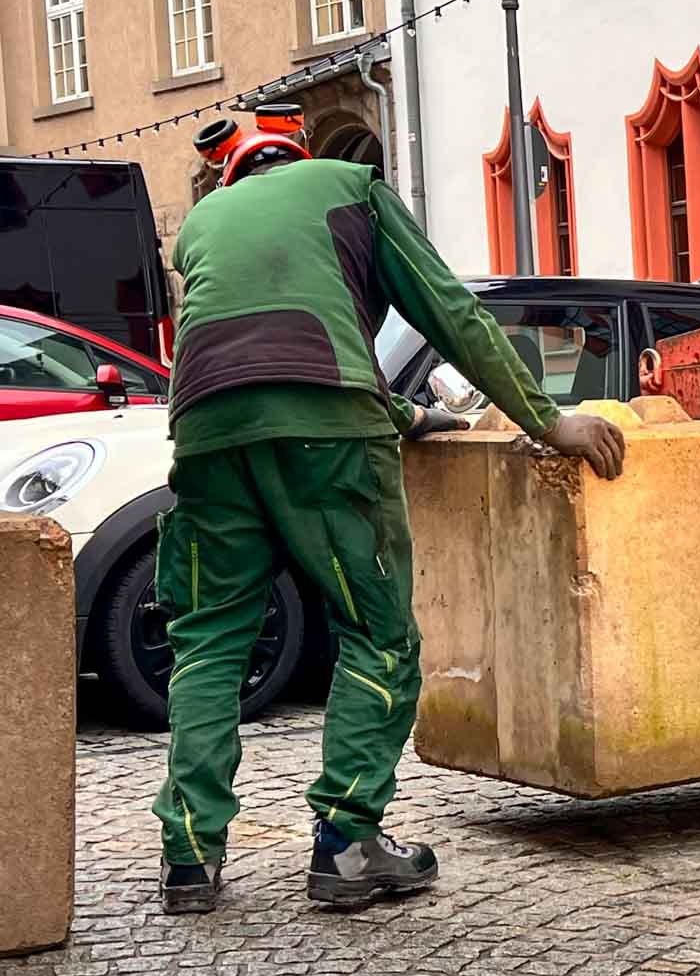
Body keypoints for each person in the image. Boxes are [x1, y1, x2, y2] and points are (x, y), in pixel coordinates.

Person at [153, 113, 627, 913]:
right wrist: (546, 418)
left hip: (204, 435)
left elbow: (265, 345)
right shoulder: (352, 188)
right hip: (329, 440)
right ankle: (346, 845)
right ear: (301, 158)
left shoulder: (200, 223)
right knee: (377, 635)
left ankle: (189, 859)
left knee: (209, 643)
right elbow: (452, 313)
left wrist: (405, 417)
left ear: (230, 177)